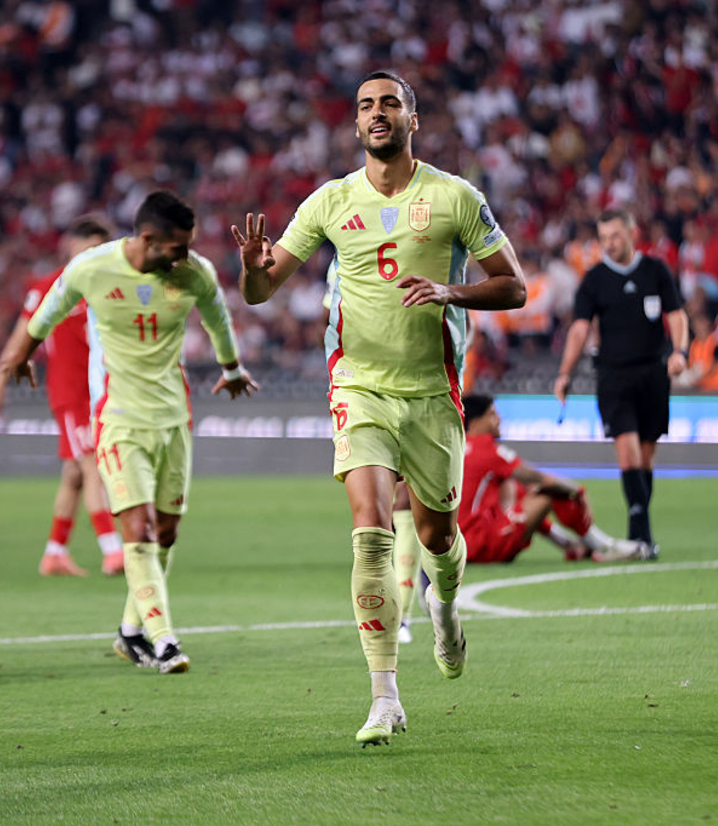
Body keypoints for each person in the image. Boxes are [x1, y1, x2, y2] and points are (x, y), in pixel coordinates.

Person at [233, 71, 526, 747]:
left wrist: (451, 293)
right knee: (370, 528)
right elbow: (260, 290)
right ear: (356, 123)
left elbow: (514, 287)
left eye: (389, 103)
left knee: (438, 538)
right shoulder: (331, 201)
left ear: (412, 119)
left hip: (432, 394)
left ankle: (443, 606)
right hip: (358, 387)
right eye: (366, 105)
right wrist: (250, 267)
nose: (377, 113)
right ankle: (384, 697)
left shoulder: (455, 197)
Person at [0, 190, 258, 673]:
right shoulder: (92, 269)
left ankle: (131, 630)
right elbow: (46, 313)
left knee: (166, 532)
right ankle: (165, 641)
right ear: (148, 239)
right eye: (176, 247)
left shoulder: (194, 273)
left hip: (173, 417)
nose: (184, 256)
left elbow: (217, 316)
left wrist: (231, 367)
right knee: (138, 528)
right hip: (118, 418)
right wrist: (20, 356)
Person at [0, 216, 125, 577]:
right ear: (70, 247)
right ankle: (112, 551)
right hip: (70, 392)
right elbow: (21, 338)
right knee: (93, 466)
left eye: (101, 248)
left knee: (74, 474)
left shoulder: (110, 285)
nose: (95, 255)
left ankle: (54, 553)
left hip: (101, 391)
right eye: (89, 247)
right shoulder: (52, 286)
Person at [554, 208, 688, 555]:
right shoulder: (595, 279)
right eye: (603, 238)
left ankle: (638, 531)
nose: (609, 244)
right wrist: (565, 372)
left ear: (632, 233)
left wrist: (680, 352)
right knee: (628, 453)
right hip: (613, 377)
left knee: (645, 458)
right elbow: (579, 329)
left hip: (654, 374)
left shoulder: (656, 270)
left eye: (615, 236)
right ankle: (643, 536)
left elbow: (676, 314)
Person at [459, 394, 644, 564]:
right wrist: (579, 490)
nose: (499, 419)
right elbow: (541, 479)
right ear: (474, 424)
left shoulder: (458, 448)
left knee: (520, 491)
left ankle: (570, 545)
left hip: (459, 546)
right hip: (482, 544)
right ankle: (603, 546)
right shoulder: (487, 448)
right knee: (549, 492)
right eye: (492, 415)